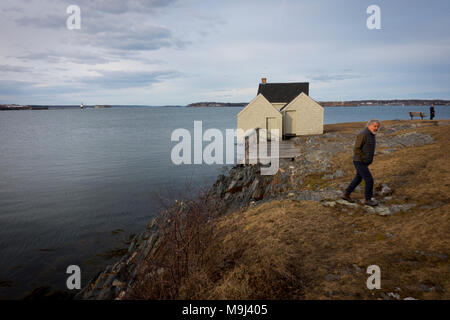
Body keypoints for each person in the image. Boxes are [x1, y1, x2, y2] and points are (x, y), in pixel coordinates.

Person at [341, 119, 380, 206]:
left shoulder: (372, 134)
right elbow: (356, 149)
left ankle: (346, 194)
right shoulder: (363, 134)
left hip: (364, 162)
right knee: (369, 180)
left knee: (358, 178)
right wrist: (364, 158)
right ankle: (368, 200)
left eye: (377, 127)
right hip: (359, 161)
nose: (376, 128)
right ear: (369, 125)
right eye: (375, 126)